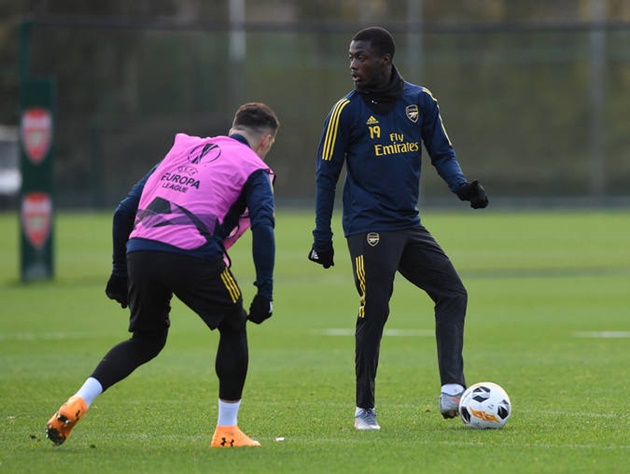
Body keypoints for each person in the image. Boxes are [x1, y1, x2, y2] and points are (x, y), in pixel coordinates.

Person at [46, 102, 280, 447]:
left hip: (141, 247)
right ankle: (227, 432)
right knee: (233, 326)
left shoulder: (184, 149)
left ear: (233, 128)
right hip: (193, 252)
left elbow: (124, 210)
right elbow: (263, 224)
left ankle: (77, 402)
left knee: (146, 340)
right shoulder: (254, 166)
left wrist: (119, 271)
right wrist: (266, 290)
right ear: (266, 141)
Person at [308, 27, 488, 430]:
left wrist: (462, 187)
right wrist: (322, 236)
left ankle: (452, 389)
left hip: (408, 223)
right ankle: (364, 408)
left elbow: (441, 151)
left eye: (361, 58)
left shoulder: (419, 101)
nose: (353, 65)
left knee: (452, 292)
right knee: (375, 309)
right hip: (368, 227)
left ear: (385, 60)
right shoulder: (345, 111)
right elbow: (325, 176)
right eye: (351, 58)